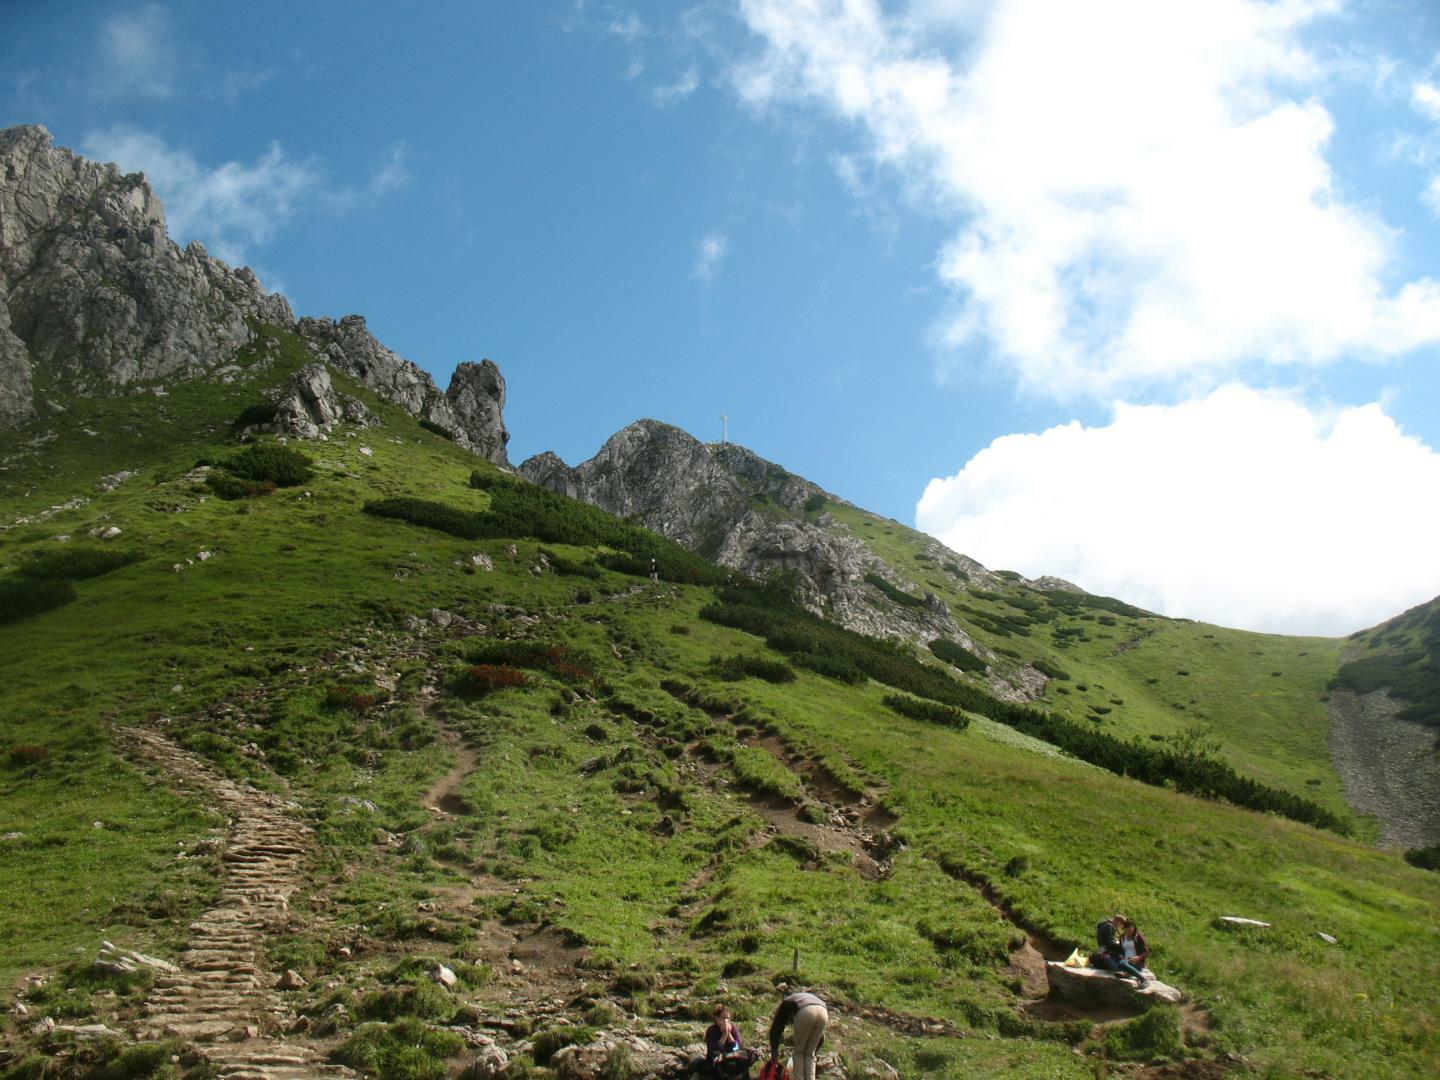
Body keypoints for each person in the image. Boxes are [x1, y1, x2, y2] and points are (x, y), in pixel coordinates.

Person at [768, 990, 828, 1080]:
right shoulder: (799, 1000)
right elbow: (821, 1038)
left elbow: (776, 1029)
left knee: (799, 1052)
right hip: (823, 1011)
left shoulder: (785, 1005)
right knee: (810, 1054)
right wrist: (815, 1048)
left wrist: (774, 1052)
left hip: (806, 1011)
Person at [704, 1005, 756, 1078]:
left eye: (727, 1018)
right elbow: (714, 1050)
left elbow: (738, 1047)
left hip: (733, 1057)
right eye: (723, 1018)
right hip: (718, 1060)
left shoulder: (733, 1027)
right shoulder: (711, 1030)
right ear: (716, 1018)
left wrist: (729, 1034)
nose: (725, 1021)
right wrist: (724, 1035)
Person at [1093, 913, 1146, 984]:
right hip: (1124, 959)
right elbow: (1113, 945)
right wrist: (1120, 955)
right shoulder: (1121, 937)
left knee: (1122, 963)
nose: (1128, 929)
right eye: (1126, 927)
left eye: (1130, 927)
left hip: (1134, 961)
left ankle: (1141, 978)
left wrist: (1138, 958)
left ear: (1134, 927)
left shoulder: (1138, 937)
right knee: (1107, 959)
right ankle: (1124, 972)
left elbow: (1146, 951)